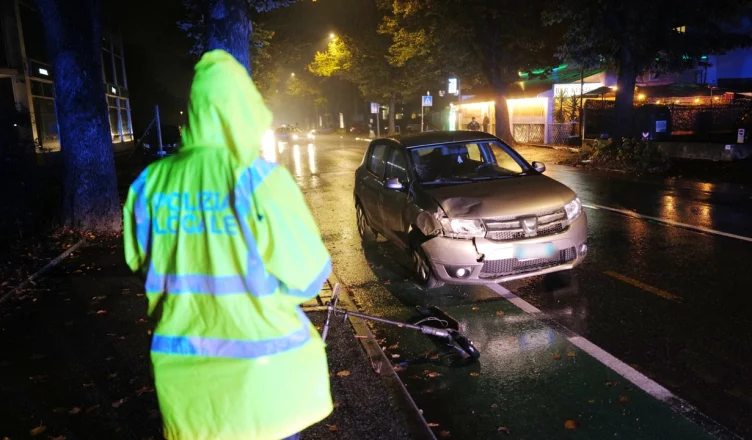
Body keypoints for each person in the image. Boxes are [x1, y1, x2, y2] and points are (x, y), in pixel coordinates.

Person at [123, 50, 333, 440]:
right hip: (268, 390)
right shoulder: (261, 182)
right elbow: (307, 280)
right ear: (247, 110)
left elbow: (141, 264)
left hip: (190, 394)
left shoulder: (149, 184)